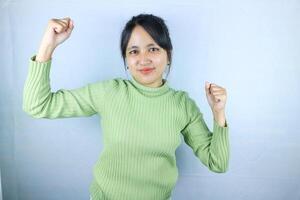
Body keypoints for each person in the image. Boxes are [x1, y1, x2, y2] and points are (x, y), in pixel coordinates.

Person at [23, 13, 230, 200]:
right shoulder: (109, 92)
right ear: (126, 60)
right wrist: (48, 45)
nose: (143, 59)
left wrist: (218, 113)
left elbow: (218, 163)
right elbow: (37, 105)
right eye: (133, 51)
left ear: (168, 55)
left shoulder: (183, 105)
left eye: (153, 49)